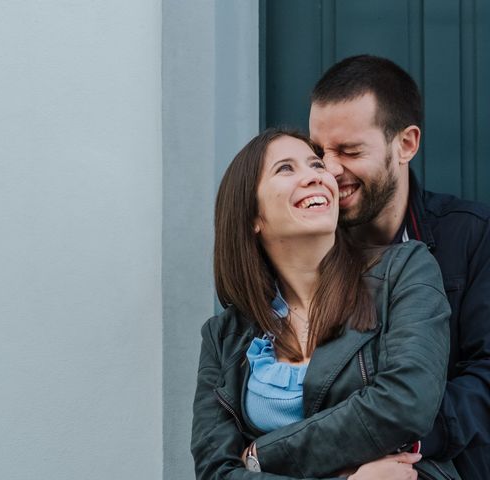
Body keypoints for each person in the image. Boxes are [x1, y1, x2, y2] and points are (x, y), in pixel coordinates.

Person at [191, 128, 456, 479]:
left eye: (315, 165)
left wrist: (261, 455)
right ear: (252, 216)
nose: (317, 176)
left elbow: (406, 402)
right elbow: (216, 472)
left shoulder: (404, 270)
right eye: (286, 169)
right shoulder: (224, 336)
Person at [307, 55, 490, 480]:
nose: (330, 170)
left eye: (349, 151)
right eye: (319, 152)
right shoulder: (302, 247)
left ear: (406, 143)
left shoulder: (473, 237)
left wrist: (396, 438)